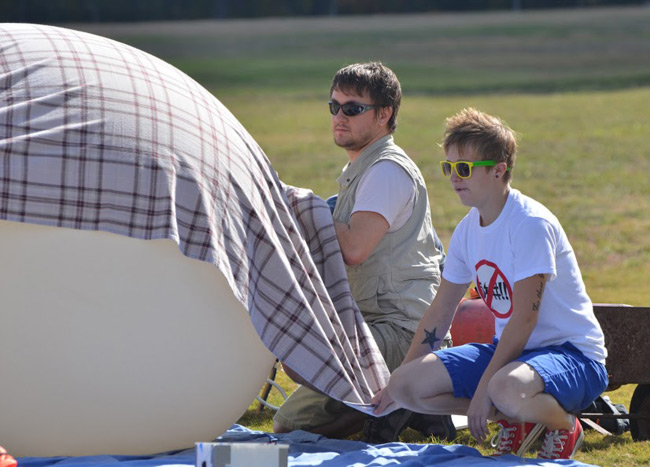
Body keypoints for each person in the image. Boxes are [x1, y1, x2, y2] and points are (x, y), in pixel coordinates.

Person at [371, 107, 608, 459]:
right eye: (448, 167)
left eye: (464, 168)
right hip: (511, 357)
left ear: (499, 171)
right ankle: (514, 418)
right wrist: (397, 381)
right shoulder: (469, 228)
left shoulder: (530, 224)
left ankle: (562, 426)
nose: (454, 177)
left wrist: (484, 391)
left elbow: (525, 319)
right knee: (406, 386)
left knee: (503, 387)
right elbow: (441, 310)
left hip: (573, 356)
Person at [273, 62, 451, 442]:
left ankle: (402, 397)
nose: (339, 117)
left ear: (384, 114)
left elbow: (354, 247)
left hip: (403, 334)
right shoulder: (362, 168)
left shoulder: (386, 171)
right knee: (290, 401)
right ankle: (404, 403)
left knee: (291, 423)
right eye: (333, 107)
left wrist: (303, 209)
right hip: (373, 329)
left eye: (352, 109)